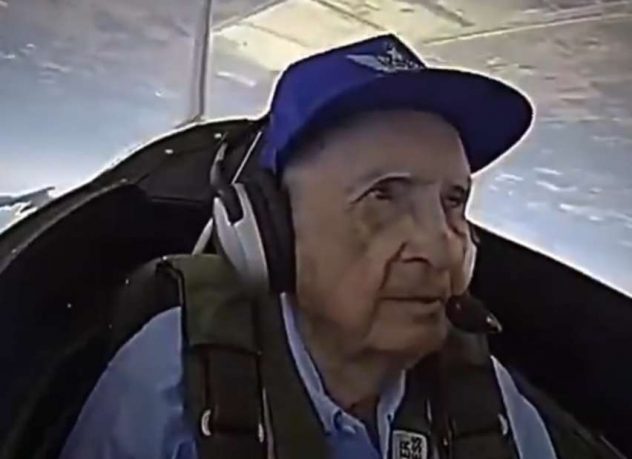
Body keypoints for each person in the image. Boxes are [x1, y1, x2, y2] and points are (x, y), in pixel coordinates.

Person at [60, 34, 600, 459]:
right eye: (383, 195)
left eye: (453, 201)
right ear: (269, 230)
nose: (440, 249)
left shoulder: (486, 398)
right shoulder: (170, 385)